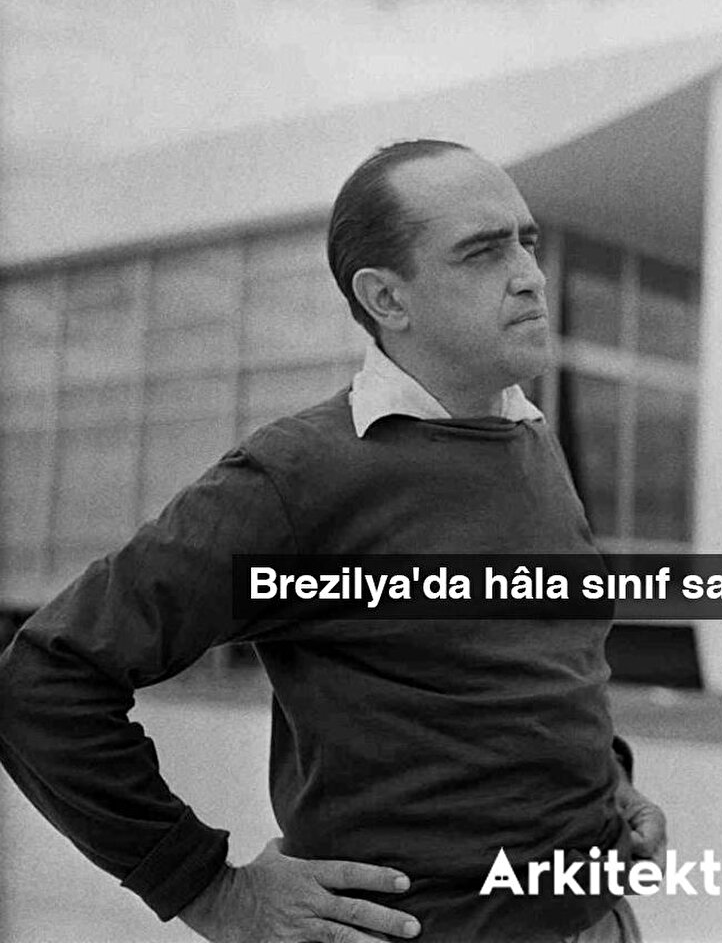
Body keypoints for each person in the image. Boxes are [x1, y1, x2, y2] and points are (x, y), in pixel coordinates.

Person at [0, 139, 666, 943]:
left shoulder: (531, 437)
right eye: (483, 252)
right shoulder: (300, 474)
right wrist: (208, 889)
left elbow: (534, 664)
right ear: (386, 297)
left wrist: (610, 783)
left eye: (526, 241)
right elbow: (45, 680)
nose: (530, 275)